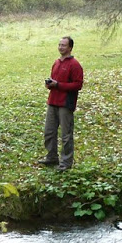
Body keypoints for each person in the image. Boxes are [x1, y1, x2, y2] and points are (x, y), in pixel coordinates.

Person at [38, 36, 84, 171]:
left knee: (66, 134)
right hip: (53, 101)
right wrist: (50, 84)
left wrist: (58, 85)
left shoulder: (75, 65)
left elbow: (78, 85)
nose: (60, 47)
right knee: (49, 132)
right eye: (59, 45)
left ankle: (66, 162)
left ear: (70, 48)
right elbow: (55, 80)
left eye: (63, 45)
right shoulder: (56, 63)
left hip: (65, 103)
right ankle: (51, 157)